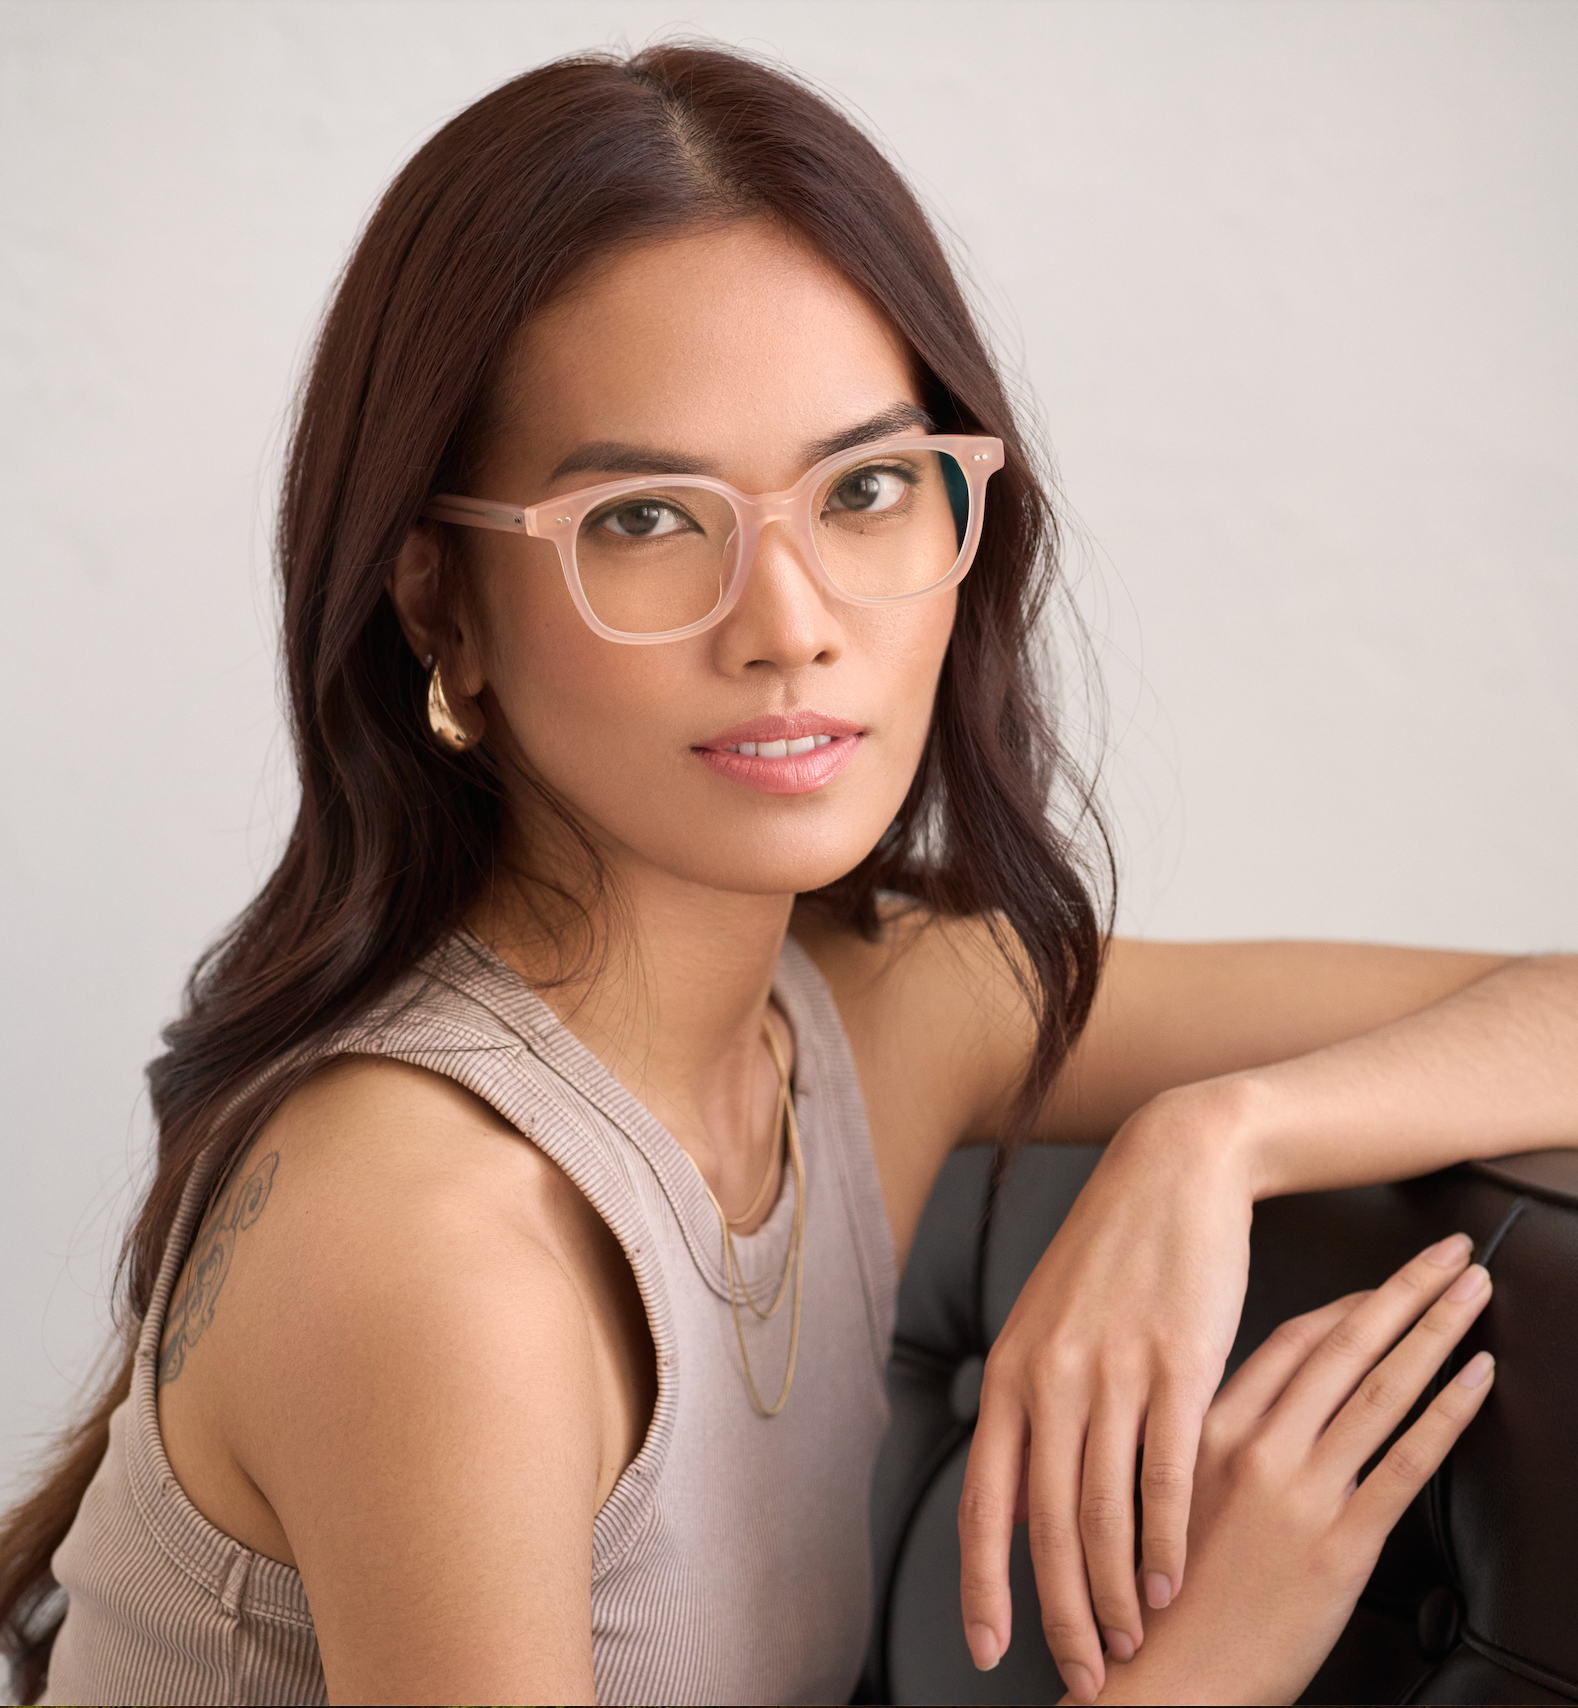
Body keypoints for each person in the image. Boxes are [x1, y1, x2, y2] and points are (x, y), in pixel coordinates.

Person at [1, 43, 1571, 1708]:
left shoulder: (879, 1014)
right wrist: (1209, 1672)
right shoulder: (433, 1241)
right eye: (645, 519)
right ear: (437, 606)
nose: (794, 624)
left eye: (869, 488)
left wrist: (1218, 1130)